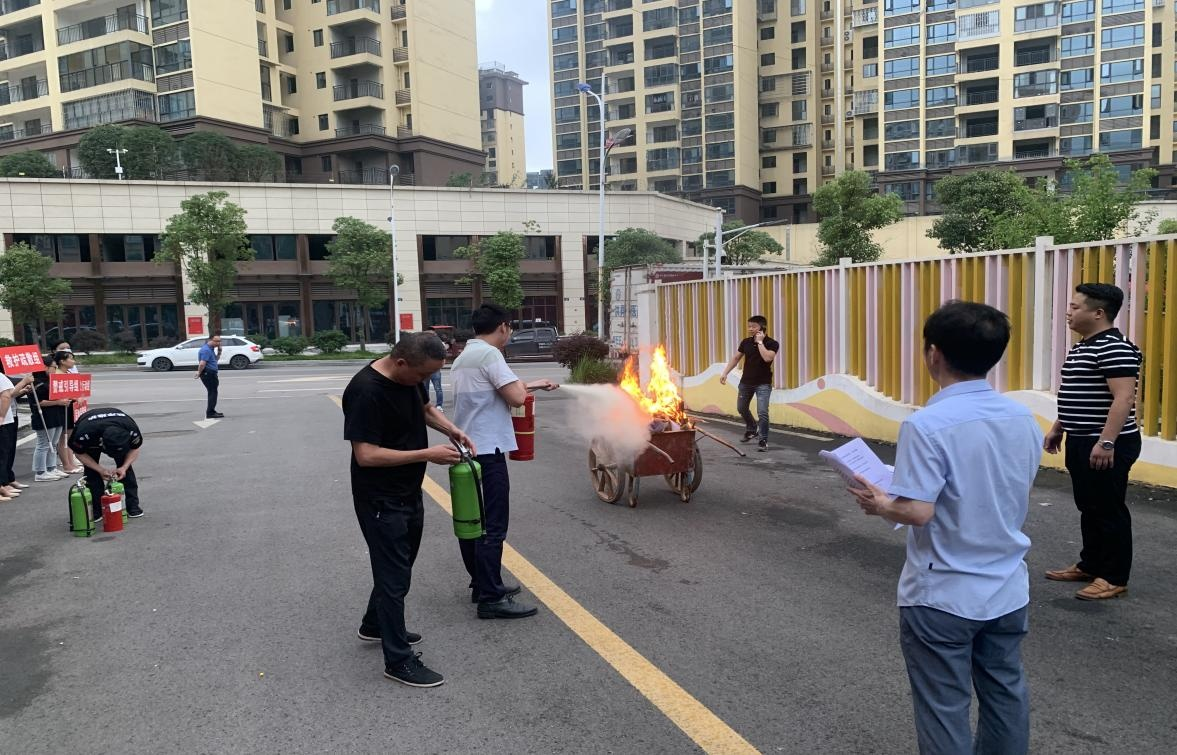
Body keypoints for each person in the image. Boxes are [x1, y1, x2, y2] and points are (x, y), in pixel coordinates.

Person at [847, 301, 1042, 755]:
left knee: (944, 705)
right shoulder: (1023, 419)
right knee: (1005, 693)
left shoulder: (927, 424)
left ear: (933, 353)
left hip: (943, 593)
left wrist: (880, 503)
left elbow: (918, 511)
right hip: (1008, 585)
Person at [342, 332, 475, 688]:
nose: (425, 381)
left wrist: (453, 430)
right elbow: (366, 455)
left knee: (400, 566)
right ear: (401, 362)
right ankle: (398, 661)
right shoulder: (366, 391)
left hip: (407, 491)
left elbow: (425, 409)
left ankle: (374, 624)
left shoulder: (411, 377)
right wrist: (427, 454)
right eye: (422, 375)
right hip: (380, 498)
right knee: (394, 576)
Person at [451, 303, 558, 619]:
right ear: (503, 327)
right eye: (509, 328)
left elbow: (493, 391)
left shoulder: (464, 357)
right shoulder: (490, 355)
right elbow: (515, 397)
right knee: (493, 524)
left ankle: (482, 583)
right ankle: (491, 598)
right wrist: (527, 388)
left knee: (474, 521)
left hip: (467, 449)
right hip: (489, 449)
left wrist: (536, 383)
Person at [1043, 283, 1142, 601]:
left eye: (1075, 307)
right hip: (1082, 439)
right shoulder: (1084, 346)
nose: (1068, 312)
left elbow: (1123, 398)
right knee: (1089, 506)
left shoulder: (1114, 347)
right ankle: (1091, 565)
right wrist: (1059, 426)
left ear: (1098, 313)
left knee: (1108, 508)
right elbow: (1079, 393)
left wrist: (1107, 442)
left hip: (1106, 443)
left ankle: (1113, 577)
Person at [68, 407, 144, 520]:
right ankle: (96, 510)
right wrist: (100, 469)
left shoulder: (131, 430)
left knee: (125, 471)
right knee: (91, 472)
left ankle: (133, 507)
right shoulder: (84, 434)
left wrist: (124, 467)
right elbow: (79, 453)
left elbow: (135, 448)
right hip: (91, 433)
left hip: (118, 423)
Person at [719, 315, 779, 452]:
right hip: (746, 382)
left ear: (762, 327)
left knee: (762, 412)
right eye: (749, 326)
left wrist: (760, 342)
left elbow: (767, 358)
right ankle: (752, 428)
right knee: (741, 408)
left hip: (763, 384)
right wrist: (725, 373)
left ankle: (763, 440)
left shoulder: (772, 343)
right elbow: (736, 358)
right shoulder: (745, 342)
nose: (750, 329)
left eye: (753, 326)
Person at [30, 354, 71, 482]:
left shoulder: (52, 381)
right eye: (53, 367)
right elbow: (37, 403)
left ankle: (51, 468)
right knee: (43, 444)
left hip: (56, 416)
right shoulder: (36, 383)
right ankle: (40, 472)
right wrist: (58, 402)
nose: (55, 369)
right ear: (45, 367)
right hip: (44, 417)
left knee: (53, 443)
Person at [0, 364, 34, 500]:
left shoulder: (3, 377)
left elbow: (10, 394)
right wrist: (1, 416)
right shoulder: (1, 378)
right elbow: (7, 396)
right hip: (4, 420)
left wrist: (22, 389)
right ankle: (3, 484)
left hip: (9, 417)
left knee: (7, 452)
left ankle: (6, 481)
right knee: (3, 454)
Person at [51, 351, 84, 475]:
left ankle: (71, 463)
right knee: (63, 438)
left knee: (69, 436)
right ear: (62, 361)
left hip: (70, 407)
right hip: (63, 408)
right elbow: (58, 393)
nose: (73, 361)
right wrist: (74, 397)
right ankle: (66, 465)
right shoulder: (57, 374)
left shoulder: (68, 373)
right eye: (70, 358)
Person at [195, 335, 224, 419]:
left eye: (219, 341)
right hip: (208, 373)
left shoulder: (211, 349)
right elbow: (202, 364)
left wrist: (219, 352)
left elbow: (215, 360)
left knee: (213, 392)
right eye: (216, 341)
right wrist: (199, 372)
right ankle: (210, 413)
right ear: (210, 340)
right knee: (212, 392)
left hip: (211, 373)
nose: (218, 343)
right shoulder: (206, 350)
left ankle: (212, 411)